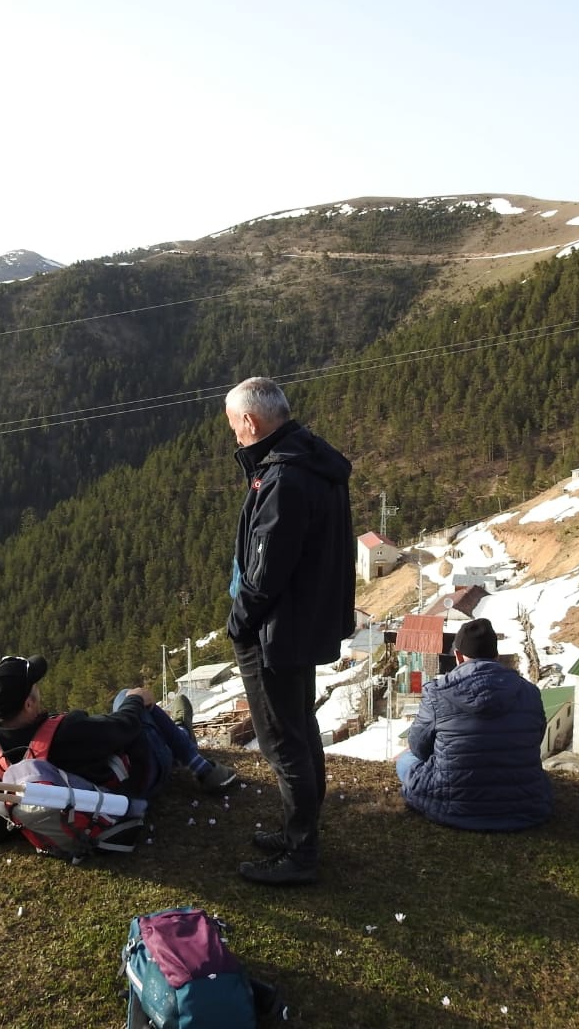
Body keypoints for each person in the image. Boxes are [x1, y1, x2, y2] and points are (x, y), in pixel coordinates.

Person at [224, 376, 355, 885]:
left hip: (275, 632)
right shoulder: (310, 460)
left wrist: (240, 623)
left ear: (251, 422)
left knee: (282, 740)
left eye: (234, 425)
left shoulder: (283, 478)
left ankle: (301, 853)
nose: (234, 435)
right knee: (301, 729)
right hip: (304, 623)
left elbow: (266, 570)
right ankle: (299, 829)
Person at [0, 654, 237, 845]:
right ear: (28, 704)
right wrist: (136, 699)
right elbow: (124, 727)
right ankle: (192, 753)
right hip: (131, 790)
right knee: (127, 700)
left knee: (131, 709)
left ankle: (180, 733)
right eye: (35, 687)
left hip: (74, 817)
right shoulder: (67, 730)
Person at [396, 618, 553, 831]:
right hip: (525, 806)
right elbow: (536, 738)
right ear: (496, 656)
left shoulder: (437, 692)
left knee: (406, 759)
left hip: (452, 804)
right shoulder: (529, 692)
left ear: (458, 656)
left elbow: (418, 748)